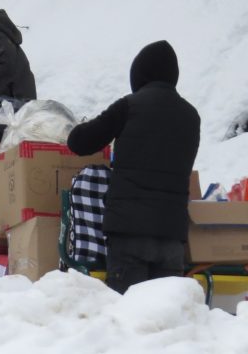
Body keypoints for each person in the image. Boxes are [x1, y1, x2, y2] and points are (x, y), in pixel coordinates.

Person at [67, 40, 200, 294]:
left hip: (130, 234)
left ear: (139, 75)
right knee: (165, 316)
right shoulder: (191, 116)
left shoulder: (130, 106)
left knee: (129, 317)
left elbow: (79, 142)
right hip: (172, 238)